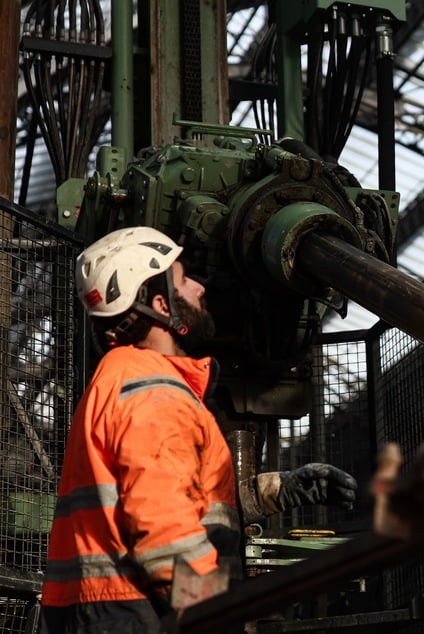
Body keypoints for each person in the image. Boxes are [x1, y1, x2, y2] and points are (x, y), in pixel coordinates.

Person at [40, 226, 358, 633]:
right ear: (161, 304)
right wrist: (215, 613)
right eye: (183, 279)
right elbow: (165, 533)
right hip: (133, 615)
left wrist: (275, 492)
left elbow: (169, 498)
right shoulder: (153, 392)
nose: (199, 288)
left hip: (108, 612)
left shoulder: (125, 380)